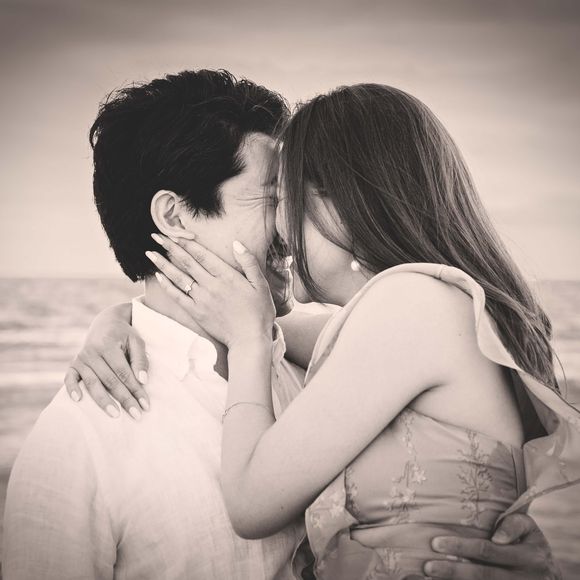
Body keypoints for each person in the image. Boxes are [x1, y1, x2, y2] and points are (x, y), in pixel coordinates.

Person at [64, 83, 573, 579]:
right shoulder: (421, 313)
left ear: (347, 204)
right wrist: (124, 317)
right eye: (272, 201)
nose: (282, 228)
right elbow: (273, 324)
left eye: (285, 200)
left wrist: (248, 344)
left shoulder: (412, 306)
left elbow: (252, 504)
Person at [2, 69, 307, 580]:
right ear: (175, 217)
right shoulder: (81, 440)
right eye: (273, 199)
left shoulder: (315, 370)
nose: (296, 224)